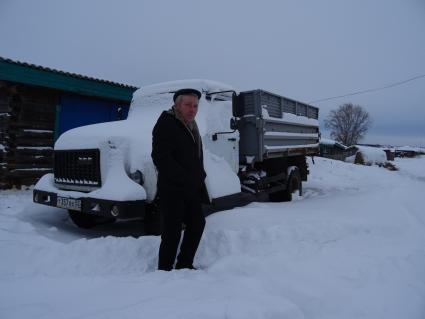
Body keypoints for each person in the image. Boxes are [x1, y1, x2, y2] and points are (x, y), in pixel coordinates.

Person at [151, 88, 209, 271]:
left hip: (190, 188)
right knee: (172, 232)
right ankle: (164, 269)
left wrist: (200, 175)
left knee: (197, 223)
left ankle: (184, 263)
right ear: (177, 105)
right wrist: (184, 178)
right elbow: (160, 157)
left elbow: (193, 155)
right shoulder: (166, 124)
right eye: (188, 105)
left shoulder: (190, 125)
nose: (193, 109)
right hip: (173, 189)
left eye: (195, 106)